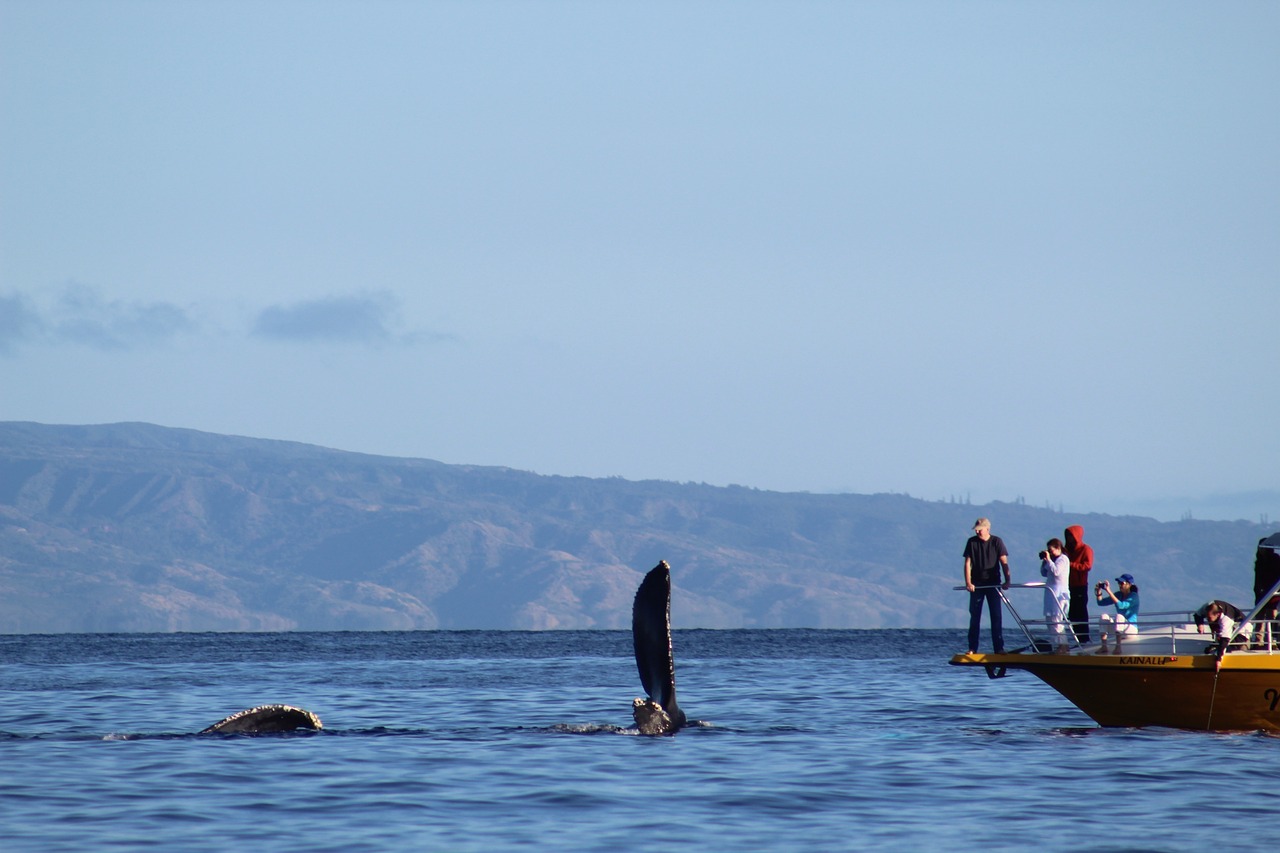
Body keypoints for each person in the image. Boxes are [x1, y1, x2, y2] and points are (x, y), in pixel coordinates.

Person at [963, 518, 1011, 654]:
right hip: (977, 585)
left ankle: (999, 648)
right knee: (975, 616)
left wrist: (1007, 580)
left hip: (993, 583)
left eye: (980, 529)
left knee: (996, 616)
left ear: (987, 529)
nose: (977, 531)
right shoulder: (971, 542)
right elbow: (967, 563)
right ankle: (972, 648)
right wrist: (968, 582)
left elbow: (1004, 562)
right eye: (976, 529)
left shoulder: (997, 541)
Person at [1194, 600, 1253, 669]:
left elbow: (1225, 639)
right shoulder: (1207, 607)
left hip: (1242, 630)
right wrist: (1200, 625)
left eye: (1209, 618)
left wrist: (1218, 660)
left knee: (1233, 647)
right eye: (1206, 617)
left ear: (1218, 614)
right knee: (1217, 644)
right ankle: (1216, 646)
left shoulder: (1226, 619)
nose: (1208, 619)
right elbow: (1197, 615)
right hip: (1227, 628)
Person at [1039, 538, 1071, 654]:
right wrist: (1045, 560)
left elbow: (1056, 572)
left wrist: (1049, 560)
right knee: (1051, 620)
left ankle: (1062, 646)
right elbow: (1044, 573)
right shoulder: (1053, 560)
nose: (1050, 553)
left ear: (1058, 548)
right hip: (1051, 594)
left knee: (1056, 621)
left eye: (1051, 550)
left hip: (1059, 594)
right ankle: (1060, 646)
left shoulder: (1063, 559)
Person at [1094, 573, 1139, 654]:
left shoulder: (1134, 596)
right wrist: (1098, 592)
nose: (1119, 585)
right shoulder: (1118, 594)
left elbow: (1121, 606)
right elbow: (1100, 602)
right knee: (1103, 616)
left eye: (1122, 583)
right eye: (1119, 583)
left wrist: (1109, 591)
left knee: (1119, 616)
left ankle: (1118, 647)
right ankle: (1104, 646)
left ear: (1129, 584)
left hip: (1130, 629)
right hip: (1120, 627)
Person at [1064, 525, 1094, 644]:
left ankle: (1084, 639)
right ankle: (1078, 639)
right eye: (1067, 536)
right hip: (1068, 586)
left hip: (1080, 586)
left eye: (1071, 535)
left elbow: (1087, 566)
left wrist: (1071, 564)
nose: (1069, 538)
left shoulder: (1086, 549)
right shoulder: (1065, 551)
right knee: (1071, 614)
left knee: (1081, 612)